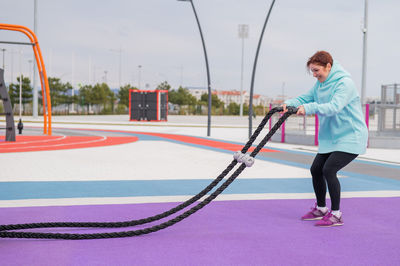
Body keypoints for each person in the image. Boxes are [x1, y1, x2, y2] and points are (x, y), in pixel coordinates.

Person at [282, 51, 368, 227]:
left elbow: (334, 107)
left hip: (351, 136)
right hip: (332, 137)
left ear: (328, 66)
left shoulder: (345, 83)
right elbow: (304, 98)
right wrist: (288, 103)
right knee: (316, 169)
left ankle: (336, 214)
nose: (314, 75)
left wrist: (309, 108)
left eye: (316, 70)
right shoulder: (319, 85)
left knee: (329, 170)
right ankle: (321, 209)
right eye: (312, 71)